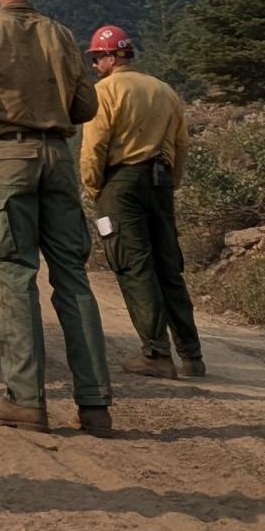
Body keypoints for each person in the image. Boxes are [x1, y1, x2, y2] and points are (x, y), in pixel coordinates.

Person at [0, 0, 115, 437]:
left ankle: (25, 400)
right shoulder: (61, 35)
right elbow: (85, 106)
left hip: (11, 158)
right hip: (58, 160)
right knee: (72, 277)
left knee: (17, 278)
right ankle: (95, 406)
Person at [81, 25, 204, 380]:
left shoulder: (104, 91)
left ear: (111, 57)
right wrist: (172, 180)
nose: (94, 65)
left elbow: (95, 147)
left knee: (134, 266)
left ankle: (156, 353)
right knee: (169, 266)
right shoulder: (164, 90)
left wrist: (93, 188)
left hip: (122, 184)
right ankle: (192, 355)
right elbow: (181, 144)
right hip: (160, 181)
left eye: (96, 58)